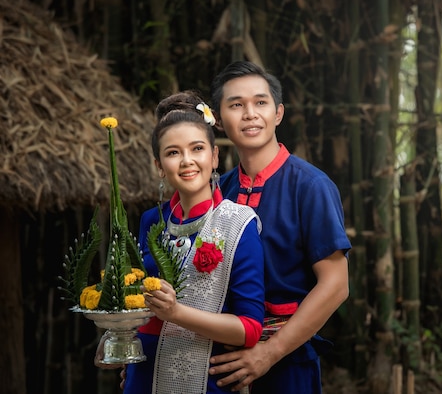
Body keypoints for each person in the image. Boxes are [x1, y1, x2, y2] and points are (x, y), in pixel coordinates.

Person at [97, 95, 266, 394]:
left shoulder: (238, 224)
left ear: (214, 157)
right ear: (159, 165)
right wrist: (117, 336)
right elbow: (135, 296)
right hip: (142, 375)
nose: (187, 160)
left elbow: (249, 330)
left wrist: (176, 313)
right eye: (173, 152)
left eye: (197, 149)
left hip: (203, 378)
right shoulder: (152, 219)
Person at [207, 60, 351, 393]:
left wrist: (268, 353)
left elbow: (335, 285)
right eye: (236, 105)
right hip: (223, 360)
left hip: (287, 361)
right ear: (217, 118)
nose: (250, 113)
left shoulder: (311, 186)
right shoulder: (219, 191)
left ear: (278, 114)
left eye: (260, 102)